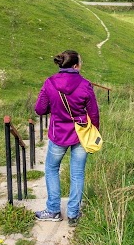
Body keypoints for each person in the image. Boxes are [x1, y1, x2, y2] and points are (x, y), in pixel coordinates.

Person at [34, 50, 100, 227]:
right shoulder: (85, 84)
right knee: (77, 173)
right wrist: (94, 132)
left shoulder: (50, 83)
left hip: (58, 133)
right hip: (81, 133)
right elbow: (93, 112)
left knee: (51, 169)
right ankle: (73, 214)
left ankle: (53, 210)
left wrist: (54, 109)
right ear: (75, 65)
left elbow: (40, 109)